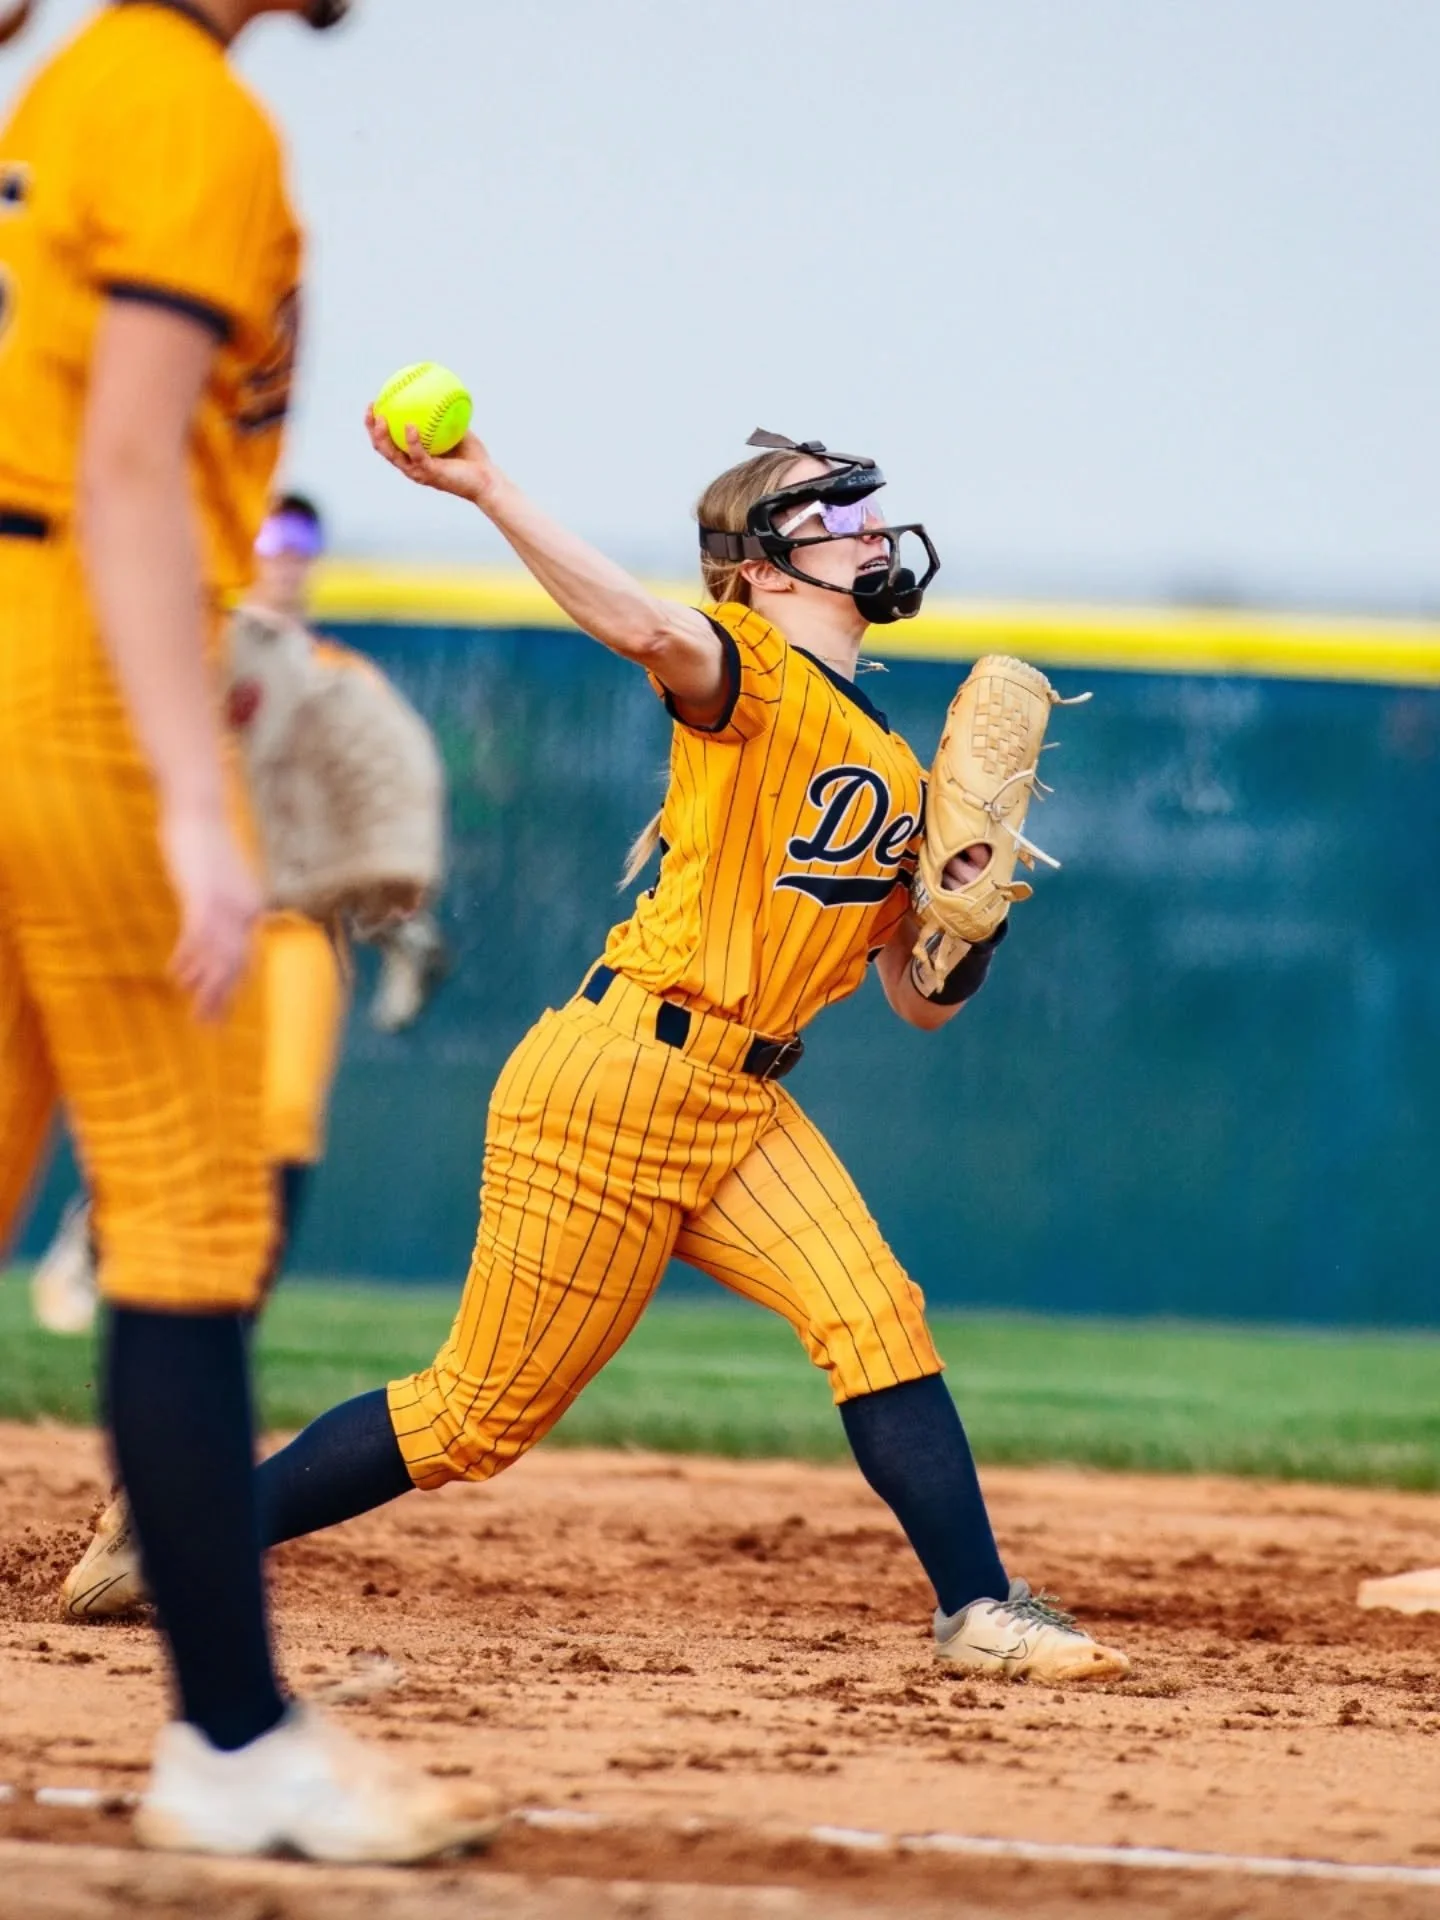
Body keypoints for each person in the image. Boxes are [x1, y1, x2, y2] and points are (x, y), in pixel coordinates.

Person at [65, 414, 1130, 1685]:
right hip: (614, 1086)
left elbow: (917, 1001)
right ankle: (186, 1537)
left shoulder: (897, 771)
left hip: (744, 1104)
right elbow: (643, 626)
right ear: (761, 565)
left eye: (861, 505)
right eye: (829, 510)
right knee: (476, 1416)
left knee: (876, 1314)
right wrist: (487, 487)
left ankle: (980, 1609)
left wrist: (970, 915)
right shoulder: (744, 668)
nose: (864, 526)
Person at [0, 0, 493, 1859]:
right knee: (193, 1220)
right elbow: (128, 468)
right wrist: (204, 809)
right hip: (85, 700)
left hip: (26, 657)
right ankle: (231, 1740)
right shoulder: (189, 109)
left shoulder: (78, 77)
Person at [30, 492, 451, 1337]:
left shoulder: (339, 677)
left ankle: (228, 1328)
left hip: (292, 923)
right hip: (177, 906)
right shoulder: (181, 649)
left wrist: (401, 917)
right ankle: (99, 1223)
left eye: (301, 536)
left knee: (286, 1113)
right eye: (268, 532)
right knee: (162, 1105)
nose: (283, 551)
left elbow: (371, 817)